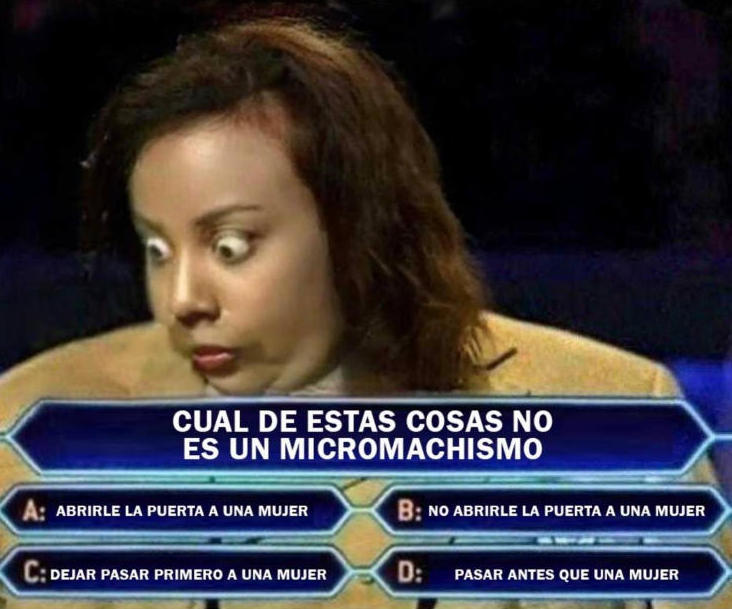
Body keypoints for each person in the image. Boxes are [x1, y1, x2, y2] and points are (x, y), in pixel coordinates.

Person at [0, 16, 728, 609]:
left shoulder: (619, 419)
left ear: (360, 231)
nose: (182, 299)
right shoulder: (37, 433)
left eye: (229, 246)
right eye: (159, 249)